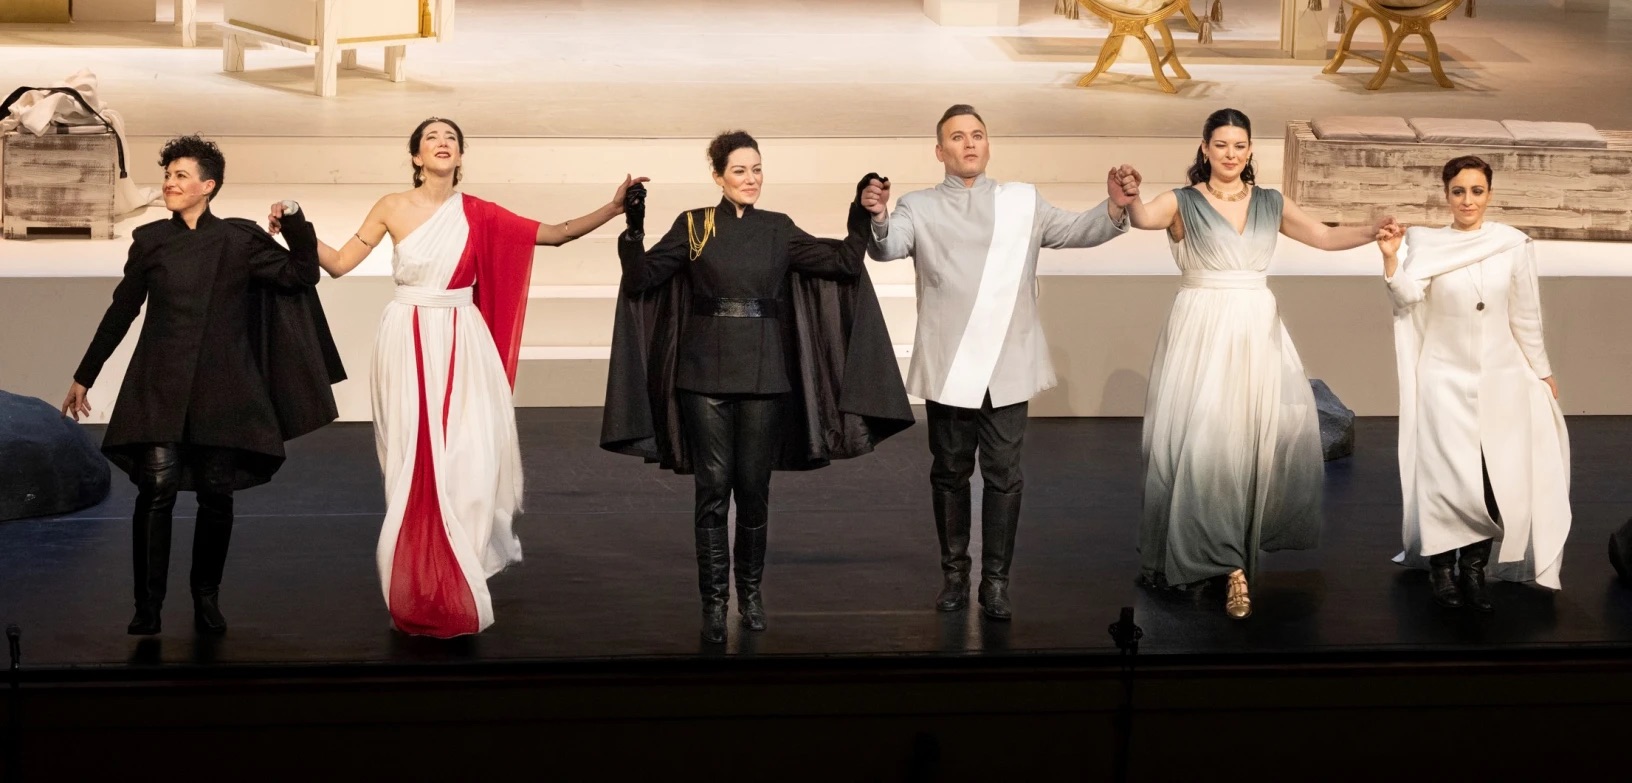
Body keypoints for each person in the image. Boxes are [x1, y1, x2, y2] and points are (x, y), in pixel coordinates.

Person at [269, 117, 645, 638]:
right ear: (416, 157)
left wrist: (613, 207)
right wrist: (295, 222)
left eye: (451, 138)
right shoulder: (391, 206)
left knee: (471, 456)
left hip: (464, 338)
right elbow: (338, 263)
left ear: (460, 156)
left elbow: (555, 235)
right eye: (432, 138)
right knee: (415, 460)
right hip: (407, 336)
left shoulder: (479, 213)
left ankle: (460, 566)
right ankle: (422, 577)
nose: (442, 143)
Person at [602, 130, 913, 644]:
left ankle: (748, 595)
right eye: (740, 170)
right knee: (712, 492)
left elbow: (841, 263)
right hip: (702, 377)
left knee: (753, 490)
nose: (751, 179)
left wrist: (860, 213)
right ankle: (714, 603)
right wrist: (633, 229)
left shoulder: (777, 228)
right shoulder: (695, 225)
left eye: (757, 169)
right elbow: (640, 280)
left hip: (765, 376)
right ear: (718, 176)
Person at [860, 104, 1138, 621]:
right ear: (939, 150)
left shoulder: (1022, 201)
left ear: (988, 145)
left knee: (1004, 476)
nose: (969, 144)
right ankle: (954, 576)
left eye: (977, 135)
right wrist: (877, 216)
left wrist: (1115, 207)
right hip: (952, 366)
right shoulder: (919, 206)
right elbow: (888, 247)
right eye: (957, 137)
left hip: (1007, 366)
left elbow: (1076, 230)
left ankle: (995, 582)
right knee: (949, 473)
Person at [65, 135, 343, 636]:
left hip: (224, 386)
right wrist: (86, 374)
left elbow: (302, 274)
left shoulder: (238, 240)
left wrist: (294, 219)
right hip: (159, 382)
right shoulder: (150, 240)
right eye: (167, 175)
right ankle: (147, 606)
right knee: (157, 489)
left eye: (181, 176)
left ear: (208, 186)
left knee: (217, 493)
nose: (169, 183)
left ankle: (206, 597)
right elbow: (122, 310)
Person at [1124, 108, 1395, 619]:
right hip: (1202, 330)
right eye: (1221, 144)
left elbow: (1323, 236)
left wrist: (1371, 230)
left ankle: (1231, 559)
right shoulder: (1182, 201)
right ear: (1204, 148)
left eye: (1239, 145)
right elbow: (1142, 218)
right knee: (1202, 443)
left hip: (1255, 329)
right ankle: (1221, 562)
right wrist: (1130, 196)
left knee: (1247, 445)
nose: (1230, 154)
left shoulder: (1270, 202)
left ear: (1250, 150)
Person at [1379, 155, 1570, 612]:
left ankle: (1474, 569)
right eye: (1459, 191)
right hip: (1443, 376)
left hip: (1502, 377)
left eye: (1477, 191)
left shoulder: (1512, 244)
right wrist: (1391, 261)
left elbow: (1525, 314)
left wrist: (1542, 371)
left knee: (1492, 473)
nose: (1468, 200)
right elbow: (1407, 297)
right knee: (1446, 474)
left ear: (1490, 194)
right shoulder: (1428, 244)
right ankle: (1442, 569)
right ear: (1446, 195)